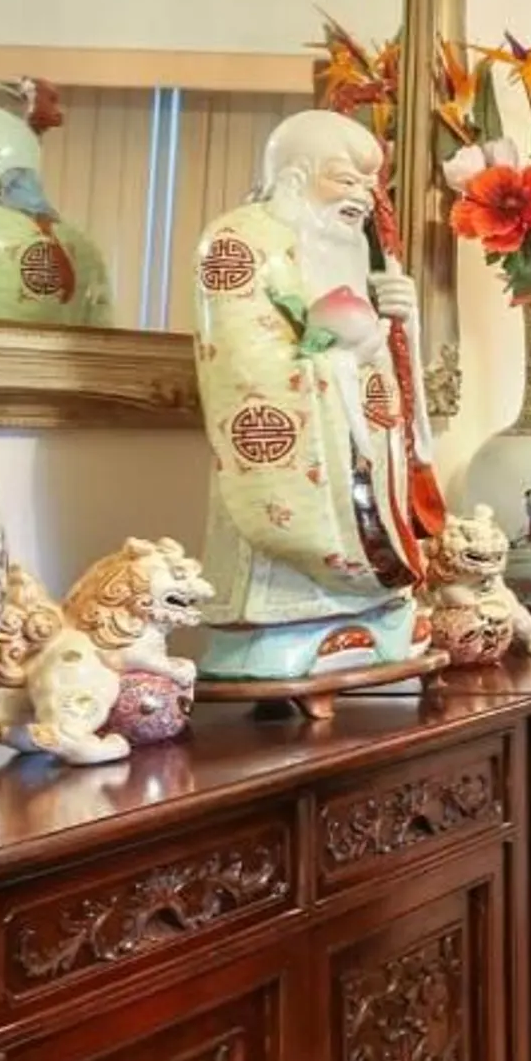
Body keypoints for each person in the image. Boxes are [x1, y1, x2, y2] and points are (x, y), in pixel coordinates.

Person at [190, 107, 439, 679]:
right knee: (277, 571)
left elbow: (381, 350)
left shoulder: (353, 245)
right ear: (295, 177)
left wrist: (404, 324)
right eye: (345, 179)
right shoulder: (238, 240)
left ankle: (379, 614)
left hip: (367, 445)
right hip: (306, 439)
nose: (362, 197)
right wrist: (342, 358)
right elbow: (245, 363)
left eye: (369, 183)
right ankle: (282, 630)